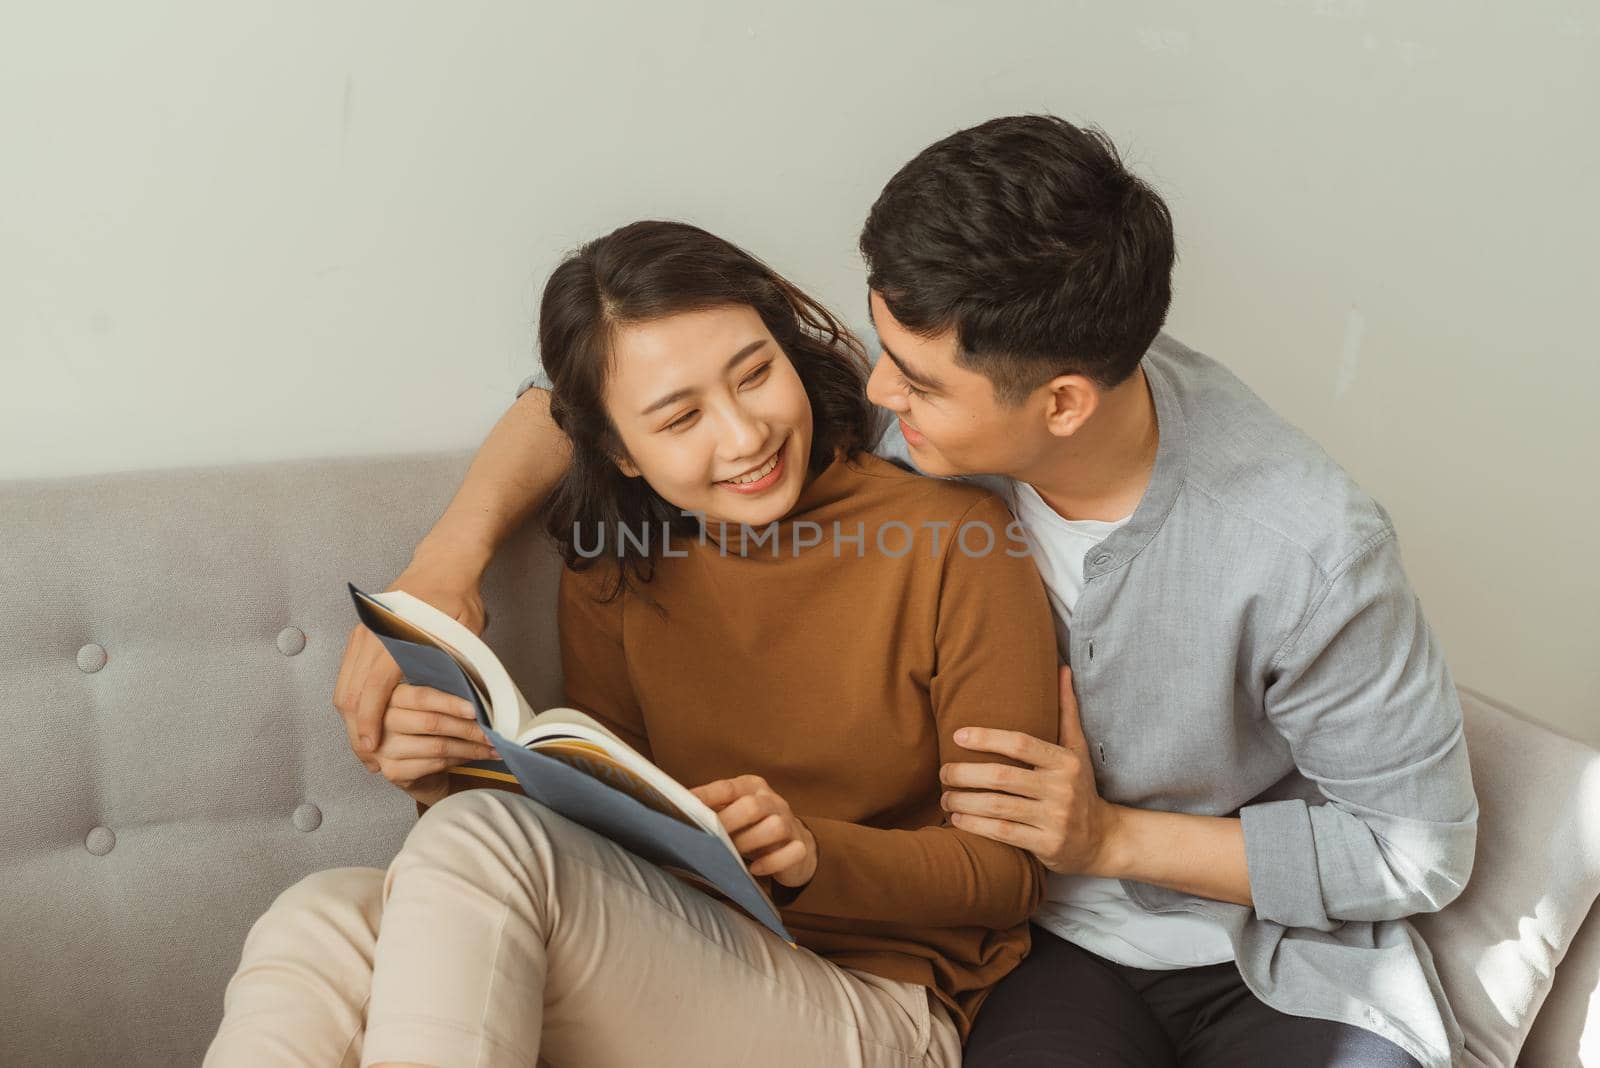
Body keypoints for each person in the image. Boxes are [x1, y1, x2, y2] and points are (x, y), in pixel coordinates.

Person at [330, 114, 1477, 1067]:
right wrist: (445, 572)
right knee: (325, 926)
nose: (868, 392)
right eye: (877, 347)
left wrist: (1111, 838)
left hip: (1240, 949)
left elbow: (1415, 852)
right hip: (1054, 955)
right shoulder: (936, 394)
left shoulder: (1299, 547)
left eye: (912, 380)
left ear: (1060, 406)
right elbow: (586, 399)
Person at [206, 220, 1062, 1067]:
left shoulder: (959, 538)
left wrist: (811, 852)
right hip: (674, 958)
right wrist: (445, 776)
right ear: (617, 451)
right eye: (680, 416)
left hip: (882, 1007)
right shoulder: (619, 571)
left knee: (483, 842)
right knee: (319, 916)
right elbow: (601, 836)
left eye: (756, 374)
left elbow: (1010, 874)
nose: (744, 435)